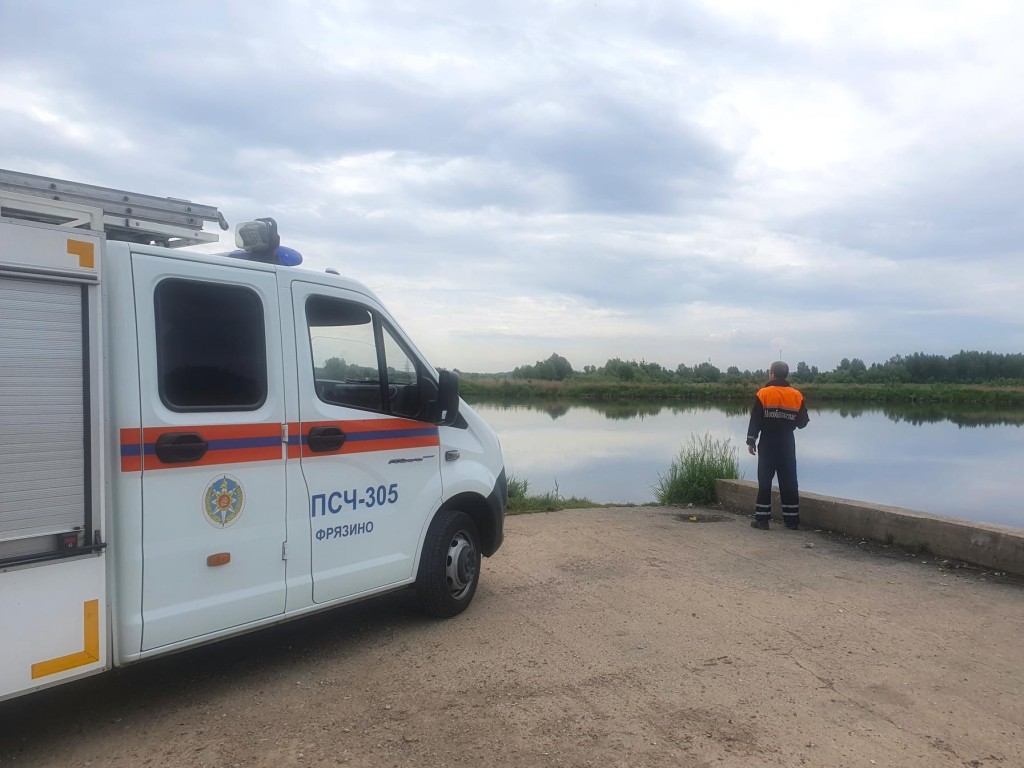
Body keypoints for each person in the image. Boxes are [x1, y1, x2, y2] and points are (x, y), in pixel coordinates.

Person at [746, 361, 809, 530]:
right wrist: (788, 422)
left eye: (769, 372)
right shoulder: (796, 395)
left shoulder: (763, 393)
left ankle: (762, 519)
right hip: (787, 442)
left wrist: (751, 440)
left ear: (772, 374)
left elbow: (756, 420)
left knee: (765, 480)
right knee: (789, 480)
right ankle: (792, 521)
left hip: (768, 442)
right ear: (786, 375)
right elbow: (803, 422)